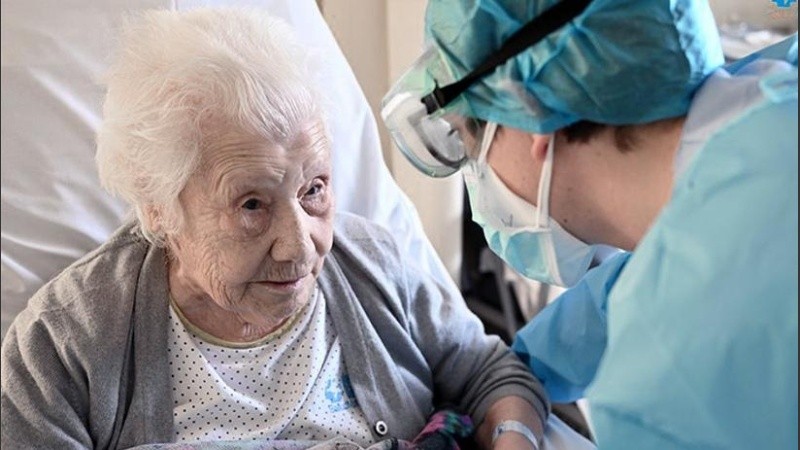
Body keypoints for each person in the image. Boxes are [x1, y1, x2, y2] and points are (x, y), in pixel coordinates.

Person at [0, 8, 551, 449]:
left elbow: (492, 375)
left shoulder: (374, 263)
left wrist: (513, 436)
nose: (300, 245)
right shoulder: (64, 344)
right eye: (252, 205)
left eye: (314, 190)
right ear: (159, 209)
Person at [380, 0, 798, 448]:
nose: (476, 176)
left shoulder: (669, 370)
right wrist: (518, 371)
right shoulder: (768, 104)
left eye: (470, 137)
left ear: (530, 113)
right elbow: (647, 279)